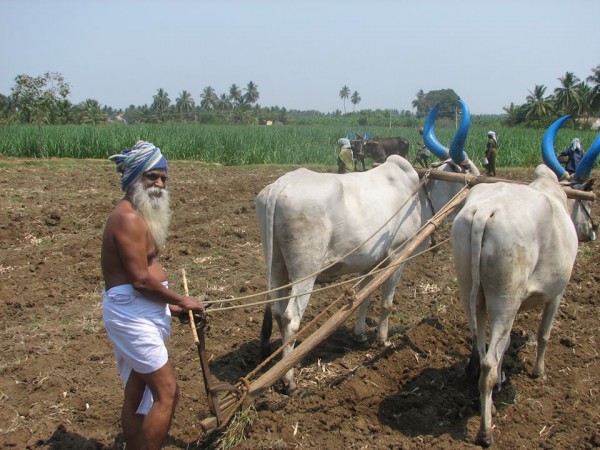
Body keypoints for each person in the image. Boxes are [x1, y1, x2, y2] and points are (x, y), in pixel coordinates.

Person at [101, 140, 204, 450]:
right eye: (152, 177)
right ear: (135, 178)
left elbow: (144, 275)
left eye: (163, 178)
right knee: (167, 392)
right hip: (132, 314)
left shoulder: (139, 215)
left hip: (140, 310)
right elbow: (141, 280)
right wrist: (180, 300)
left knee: (138, 392)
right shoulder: (128, 218)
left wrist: (168, 308)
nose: (159, 184)